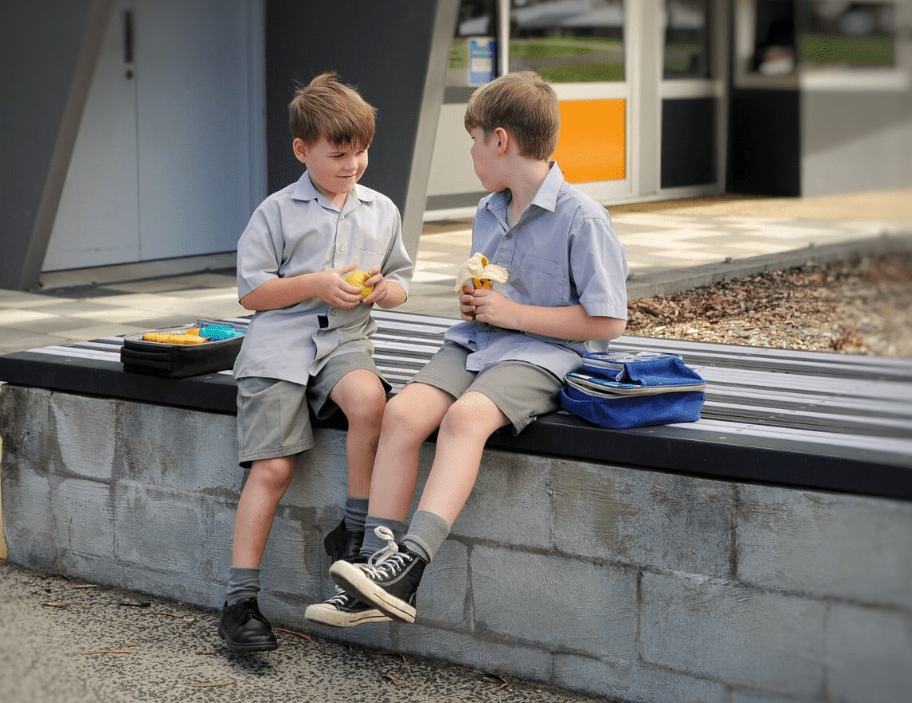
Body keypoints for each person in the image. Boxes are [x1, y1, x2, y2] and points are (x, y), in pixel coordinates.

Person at [309, 71, 628, 626]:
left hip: (544, 354)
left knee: (464, 419)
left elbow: (608, 319)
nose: (472, 153)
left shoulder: (583, 218)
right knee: (403, 411)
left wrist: (513, 313)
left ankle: (407, 570)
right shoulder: (489, 211)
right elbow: (495, 293)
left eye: (474, 139)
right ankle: (370, 568)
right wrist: (477, 302)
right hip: (479, 342)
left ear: (500, 141)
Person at [219, 72, 412, 651]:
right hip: (278, 349)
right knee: (274, 470)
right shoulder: (275, 212)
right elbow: (252, 294)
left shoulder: (381, 210)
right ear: (303, 151)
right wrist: (315, 284)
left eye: (361, 152)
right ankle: (239, 600)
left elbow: (401, 282)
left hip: (346, 343)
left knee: (370, 399)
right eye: (338, 154)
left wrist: (382, 290)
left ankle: (353, 536)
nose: (352, 164)